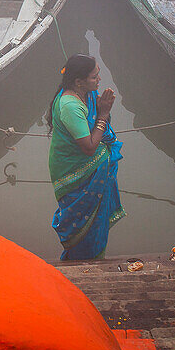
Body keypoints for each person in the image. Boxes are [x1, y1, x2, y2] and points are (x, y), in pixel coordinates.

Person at [46, 54, 124, 261]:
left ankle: (93, 256)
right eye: (94, 77)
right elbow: (89, 147)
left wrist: (99, 106)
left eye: (98, 74)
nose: (99, 80)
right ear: (79, 81)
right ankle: (82, 260)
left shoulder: (86, 93)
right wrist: (103, 115)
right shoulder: (71, 106)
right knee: (81, 221)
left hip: (90, 166)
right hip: (74, 170)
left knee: (94, 220)